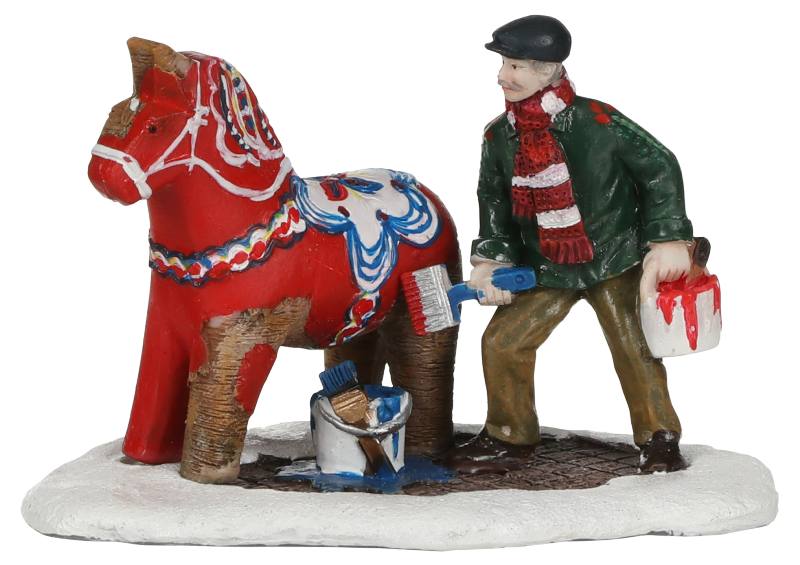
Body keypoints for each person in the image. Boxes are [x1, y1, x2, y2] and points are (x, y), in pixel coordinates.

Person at [454, 15, 693, 473]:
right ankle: (508, 437)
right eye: (504, 64)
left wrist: (667, 238)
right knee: (503, 342)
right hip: (545, 265)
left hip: (614, 257)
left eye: (516, 66)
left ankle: (659, 438)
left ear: (547, 70)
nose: (503, 76)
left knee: (634, 345)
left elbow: (660, 166)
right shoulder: (499, 135)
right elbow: (493, 200)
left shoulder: (598, 121)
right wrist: (491, 260)